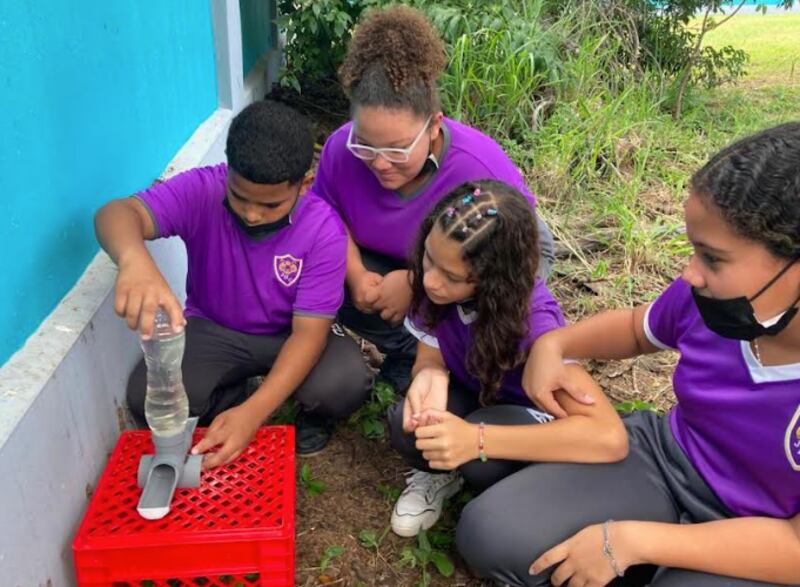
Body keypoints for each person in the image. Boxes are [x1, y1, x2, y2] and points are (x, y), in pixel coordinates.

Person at [457, 122, 800, 586]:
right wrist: (554, 344)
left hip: (765, 532)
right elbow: (635, 329)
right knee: (490, 533)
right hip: (669, 457)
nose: (691, 273)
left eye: (713, 258)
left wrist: (633, 541)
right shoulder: (712, 299)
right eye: (693, 251)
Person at [95, 100, 372, 463]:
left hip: (290, 333)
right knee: (146, 395)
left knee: (344, 382)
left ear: (304, 185)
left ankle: (308, 414)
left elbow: (308, 334)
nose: (252, 214)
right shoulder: (203, 190)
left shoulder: (324, 231)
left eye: (270, 205)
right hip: (214, 329)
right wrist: (134, 260)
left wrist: (255, 415)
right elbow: (116, 213)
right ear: (228, 173)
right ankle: (234, 395)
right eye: (240, 198)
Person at [312, 6, 556, 393]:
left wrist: (417, 283)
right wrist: (357, 274)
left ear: (434, 126)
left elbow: (511, 246)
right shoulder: (342, 151)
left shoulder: (478, 165)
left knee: (486, 311)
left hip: (495, 249)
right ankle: (412, 349)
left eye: (396, 150)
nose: (378, 163)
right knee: (325, 271)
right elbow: (325, 218)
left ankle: (453, 358)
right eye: (365, 144)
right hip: (403, 257)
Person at [386, 180, 627, 538]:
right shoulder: (435, 285)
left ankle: (508, 483)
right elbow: (431, 350)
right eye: (428, 258)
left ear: (496, 280)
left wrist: (477, 440)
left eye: (452, 276)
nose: (432, 282)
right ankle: (444, 473)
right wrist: (429, 372)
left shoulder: (534, 329)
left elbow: (609, 437)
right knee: (408, 424)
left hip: (523, 416)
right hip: (476, 395)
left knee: (483, 462)